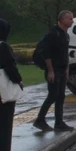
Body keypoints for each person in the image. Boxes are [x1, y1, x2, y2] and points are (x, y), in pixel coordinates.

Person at [33, 10, 75, 131]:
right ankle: (40, 120)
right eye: (69, 18)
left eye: (72, 18)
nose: (72, 21)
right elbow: (46, 53)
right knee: (52, 95)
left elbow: (65, 53)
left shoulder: (66, 35)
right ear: (61, 20)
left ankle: (59, 122)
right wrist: (50, 70)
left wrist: (67, 68)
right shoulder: (53, 34)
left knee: (61, 96)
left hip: (62, 69)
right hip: (54, 69)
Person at [0, 18, 23, 151]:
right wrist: (19, 80)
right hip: (3, 93)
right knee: (5, 124)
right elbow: (10, 67)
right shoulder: (3, 46)